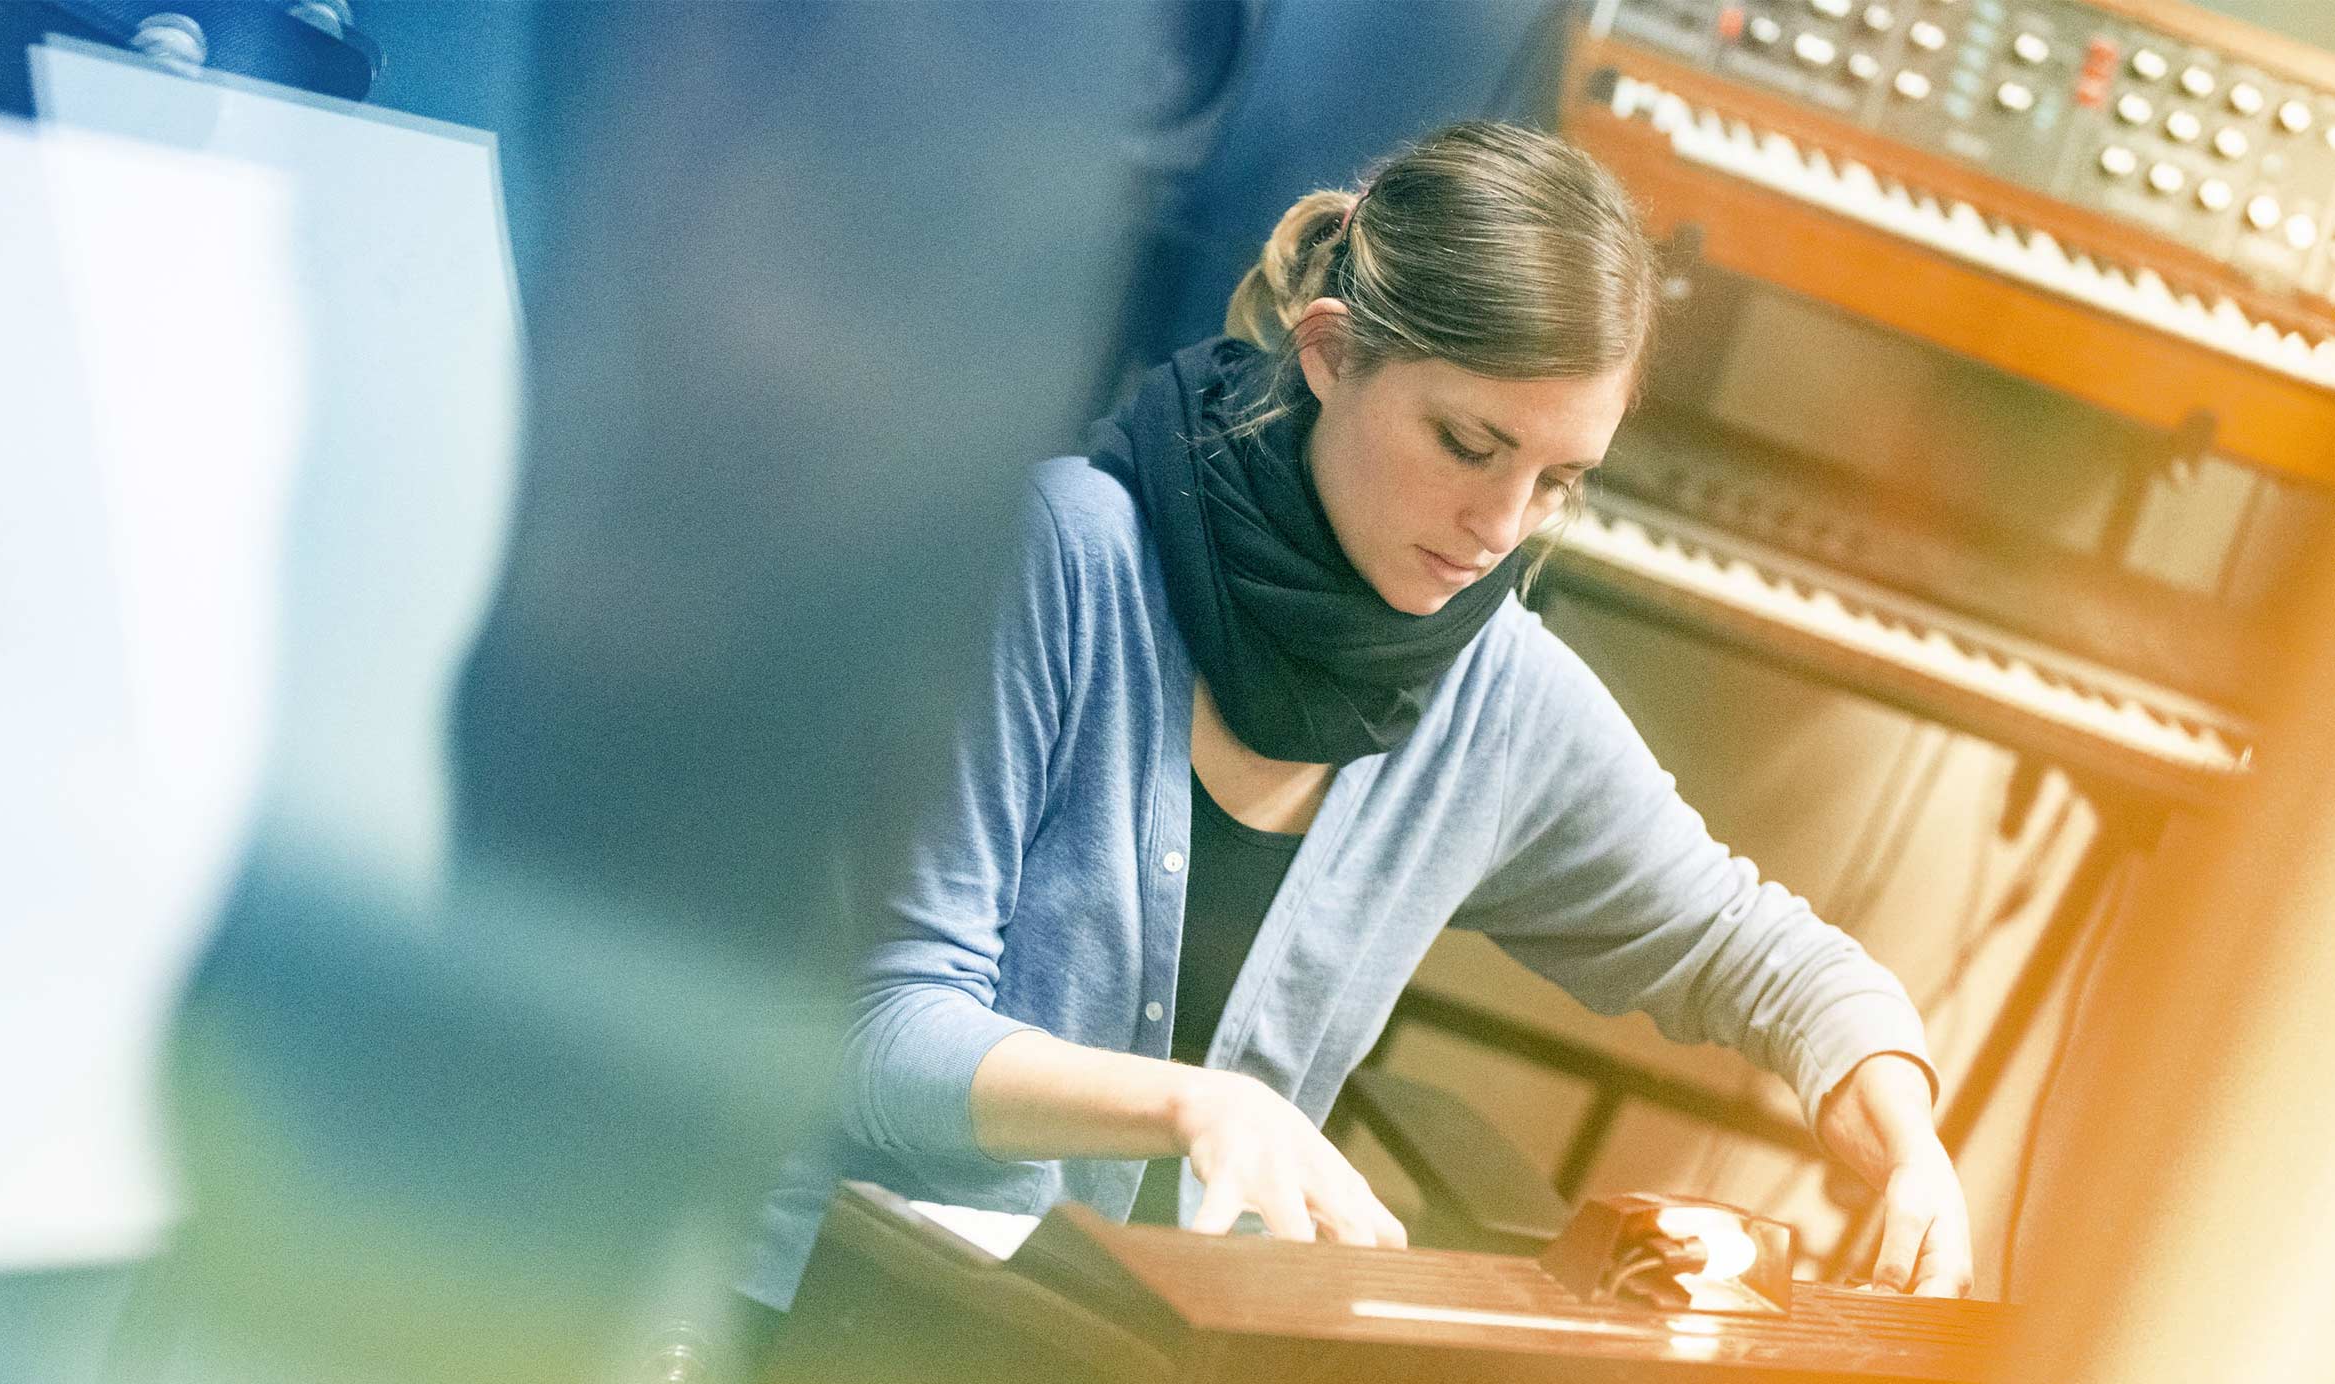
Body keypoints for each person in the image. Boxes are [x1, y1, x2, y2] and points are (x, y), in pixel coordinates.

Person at [743, 120, 1972, 1321]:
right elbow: (885, 1034)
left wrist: (1904, 1132)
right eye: (1468, 443)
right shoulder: (1063, 560)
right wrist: (1196, 1103)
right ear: (1330, 352)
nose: (1500, 525)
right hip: (845, 1321)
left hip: (1122, 1382)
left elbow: (1761, 957)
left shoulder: (1496, 696)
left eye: (1555, 479)